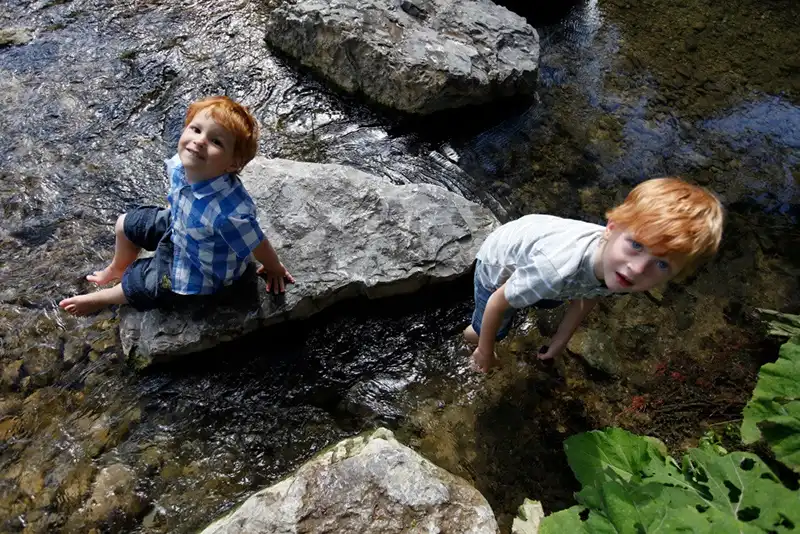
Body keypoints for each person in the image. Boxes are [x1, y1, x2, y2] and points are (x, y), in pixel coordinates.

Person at [60, 96, 293, 316]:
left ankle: (103, 298)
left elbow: (256, 241)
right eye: (196, 129)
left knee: (143, 284)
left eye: (216, 141)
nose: (200, 141)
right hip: (179, 225)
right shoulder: (181, 166)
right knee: (125, 223)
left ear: (233, 164)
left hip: (199, 268)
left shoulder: (229, 214)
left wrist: (275, 268)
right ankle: (117, 267)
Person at [464, 177, 724, 372]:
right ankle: (471, 339)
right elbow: (498, 301)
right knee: (492, 328)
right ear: (611, 228)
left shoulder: (615, 265)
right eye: (636, 245)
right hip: (496, 266)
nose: (637, 268)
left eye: (663, 265)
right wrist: (486, 353)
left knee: (547, 296)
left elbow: (589, 292)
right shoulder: (555, 271)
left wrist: (561, 339)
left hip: (534, 252)